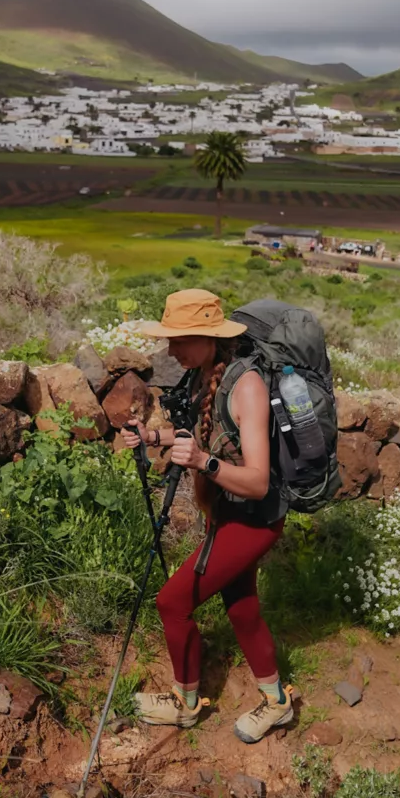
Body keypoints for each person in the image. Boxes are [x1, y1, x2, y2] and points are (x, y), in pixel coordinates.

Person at [121, 288, 291, 744]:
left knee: (172, 602)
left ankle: (185, 703)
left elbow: (256, 480)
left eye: (179, 340)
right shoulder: (203, 374)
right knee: (242, 608)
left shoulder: (248, 387)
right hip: (228, 512)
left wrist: (202, 464)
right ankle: (278, 702)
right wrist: (154, 437)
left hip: (254, 518)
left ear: (209, 337)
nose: (170, 350)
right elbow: (203, 433)